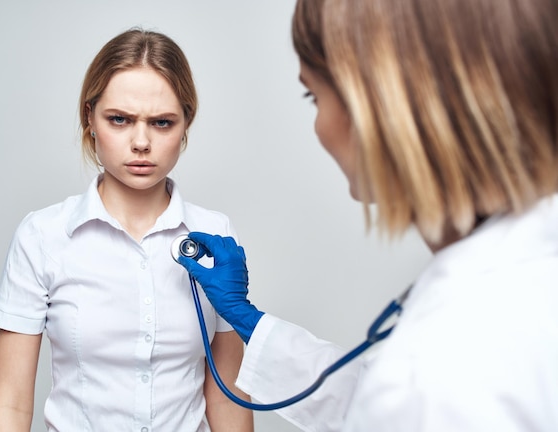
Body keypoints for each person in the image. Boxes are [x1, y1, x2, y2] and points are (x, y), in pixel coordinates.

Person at [177, 0, 558, 430]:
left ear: (378, 105)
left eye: (314, 95)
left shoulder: (435, 374)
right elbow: (367, 397)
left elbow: (406, 402)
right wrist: (246, 319)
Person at [0, 29, 253, 432]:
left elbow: (227, 391)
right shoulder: (43, 236)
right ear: (89, 118)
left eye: (162, 122)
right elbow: (10, 404)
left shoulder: (214, 234)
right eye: (119, 120)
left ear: (185, 125)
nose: (141, 142)